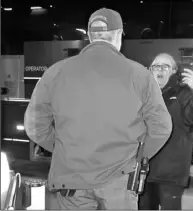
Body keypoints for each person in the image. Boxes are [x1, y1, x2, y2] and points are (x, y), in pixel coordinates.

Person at [24, 8, 172, 210]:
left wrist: (63, 148)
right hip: (119, 181)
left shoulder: (55, 72)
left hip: (71, 180)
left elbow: (35, 126)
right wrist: (136, 156)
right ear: (119, 35)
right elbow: (162, 128)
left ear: (89, 35)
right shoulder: (140, 75)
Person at [138, 53, 193, 210]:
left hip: (170, 174)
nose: (159, 69)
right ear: (149, 70)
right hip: (143, 172)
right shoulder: (141, 94)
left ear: (174, 71)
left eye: (165, 66)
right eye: (156, 66)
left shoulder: (183, 95)